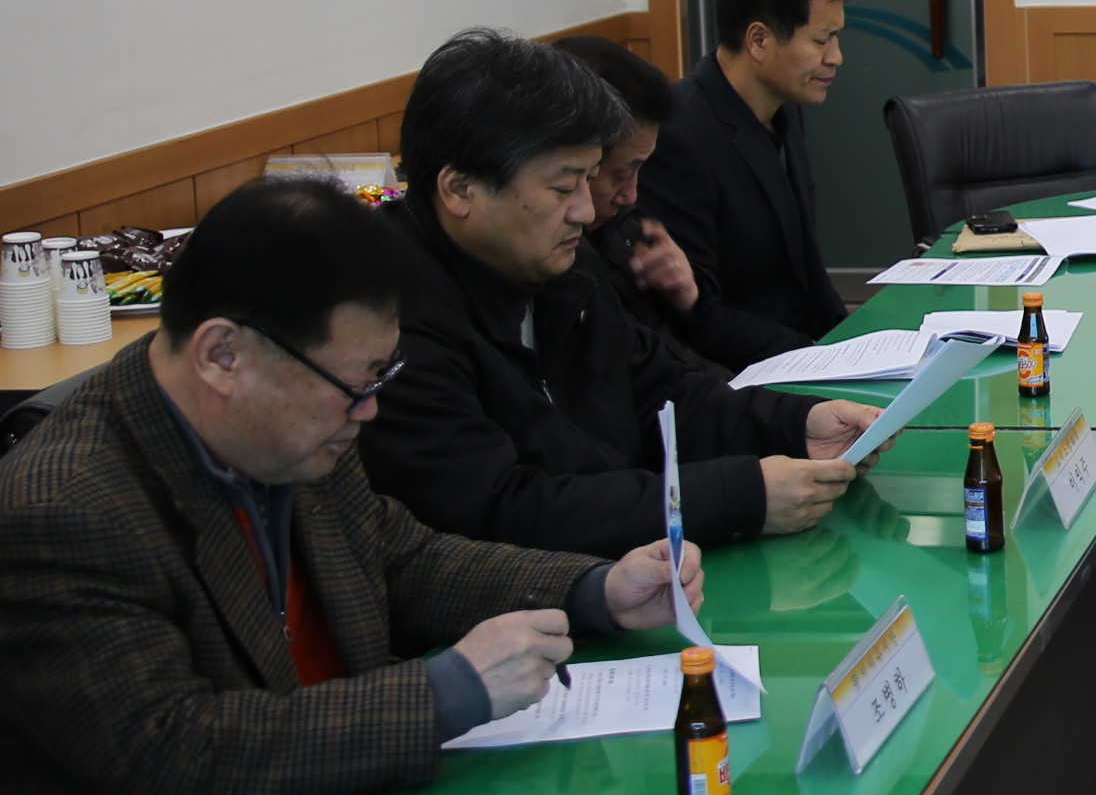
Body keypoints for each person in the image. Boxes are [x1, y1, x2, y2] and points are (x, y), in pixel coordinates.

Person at [0, 174, 706, 795]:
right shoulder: (62, 513)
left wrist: (592, 589)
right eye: (356, 385)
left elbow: (400, 558)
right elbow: (177, 758)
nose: (368, 413)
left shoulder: (283, 426)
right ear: (222, 356)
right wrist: (447, 693)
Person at [359, 30, 873, 554]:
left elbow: (660, 388)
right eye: (563, 188)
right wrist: (738, 494)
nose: (586, 211)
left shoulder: (562, 265)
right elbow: (501, 510)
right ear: (460, 189)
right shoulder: (386, 323)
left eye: (589, 180)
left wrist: (794, 425)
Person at [638, 0, 853, 366]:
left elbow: (805, 267)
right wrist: (812, 356)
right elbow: (694, 314)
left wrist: (849, 342)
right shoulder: (678, 135)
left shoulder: (784, 107)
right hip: (741, 374)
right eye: (821, 40)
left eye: (836, 37)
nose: (836, 57)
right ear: (759, 40)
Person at [552, 32, 705, 347]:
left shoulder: (627, 229)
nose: (631, 195)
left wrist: (687, 300)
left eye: (640, 170)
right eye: (620, 174)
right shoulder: (551, 258)